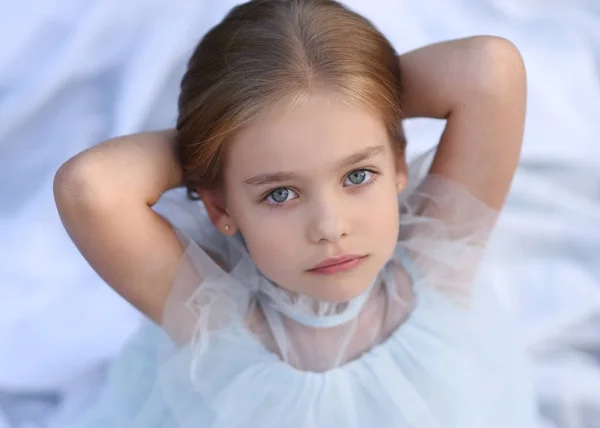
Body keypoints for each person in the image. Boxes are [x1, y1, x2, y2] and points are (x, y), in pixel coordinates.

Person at [53, 0, 536, 426]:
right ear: (221, 206)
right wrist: (228, 135)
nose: (330, 228)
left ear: (396, 163)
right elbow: (90, 188)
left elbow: (488, 69)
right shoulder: (219, 320)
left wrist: (352, 97)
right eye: (280, 194)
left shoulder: (437, 254)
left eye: (357, 176)